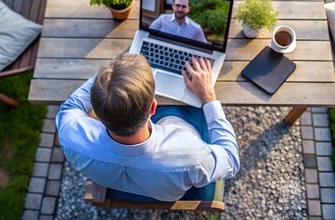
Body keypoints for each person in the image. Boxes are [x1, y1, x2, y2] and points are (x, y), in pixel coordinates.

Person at [55, 53, 240, 201]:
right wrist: (208, 97)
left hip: (117, 184)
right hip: (166, 194)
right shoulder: (193, 158)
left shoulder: (70, 135)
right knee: (193, 110)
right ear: (153, 107)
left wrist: (113, 78)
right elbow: (231, 159)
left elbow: (70, 106)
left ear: (98, 112)